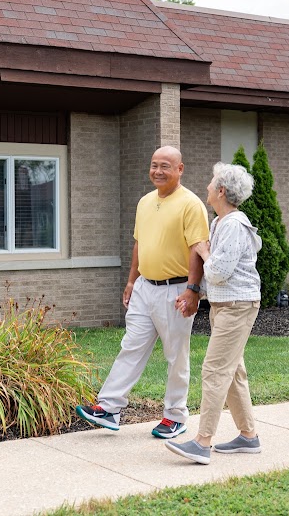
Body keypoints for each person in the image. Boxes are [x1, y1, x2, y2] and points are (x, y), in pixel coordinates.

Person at [76, 146, 209, 438]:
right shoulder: (145, 202)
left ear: (180, 169)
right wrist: (131, 281)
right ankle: (109, 408)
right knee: (131, 346)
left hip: (176, 290)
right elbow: (139, 243)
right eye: (154, 165)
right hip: (145, 287)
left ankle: (175, 416)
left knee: (176, 355)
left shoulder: (191, 204)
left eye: (165, 166)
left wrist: (193, 290)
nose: (158, 171)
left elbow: (197, 249)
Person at [165, 162, 262, 464]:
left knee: (214, 370)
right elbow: (215, 275)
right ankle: (249, 437)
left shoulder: (233, 224)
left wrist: (204, 250)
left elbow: (219, 271)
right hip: (226, 305)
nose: (206, 186)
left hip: (237, 306)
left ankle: (202, 443)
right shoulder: (220, 222)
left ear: (221, 190)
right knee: (232, 373)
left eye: (211, 182)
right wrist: (193, 292)